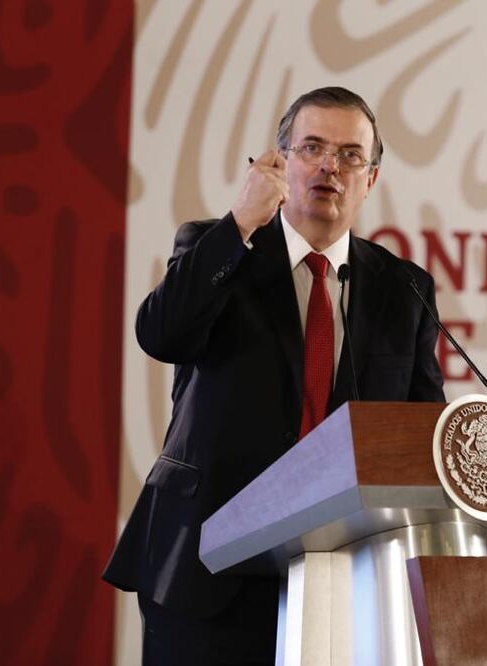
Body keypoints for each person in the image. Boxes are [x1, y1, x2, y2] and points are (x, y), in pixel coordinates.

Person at [102, 87, 445, 664]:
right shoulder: (218, 248)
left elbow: (423, 435)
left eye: (350, 154)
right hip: (210, 569)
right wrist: (240, 221)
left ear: (373, 179)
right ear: (280, 163)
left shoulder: (404, 288)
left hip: (346, 581)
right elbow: (160, 336)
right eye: (311, 147)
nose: (329, 165)